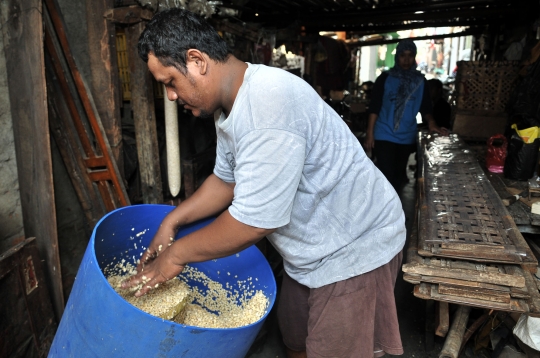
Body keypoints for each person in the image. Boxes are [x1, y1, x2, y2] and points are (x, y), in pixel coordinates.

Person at [122, 8, 406, 358]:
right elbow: (226, 181)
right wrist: (172, 221)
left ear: (196, 61)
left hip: (354, 246)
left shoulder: (266, 106)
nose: (170, 95)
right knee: (294, 340)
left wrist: (176, 255)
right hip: (310, 251)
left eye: (170, 82)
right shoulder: (230, 104)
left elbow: (254, 221)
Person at [364, 39, 447, 192]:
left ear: (414, 56)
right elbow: (374, 107)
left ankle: (393, 212)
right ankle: (383, 211)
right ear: (397, 57)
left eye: (410, 55)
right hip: (384, 134)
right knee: (385, 175)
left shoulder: (420, 81)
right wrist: (370, 133)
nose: (406, 60)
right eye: (403, 55)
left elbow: (426, 107)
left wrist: (432, 123)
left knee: (398, 176)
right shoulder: (385, 78)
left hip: (406, 136)